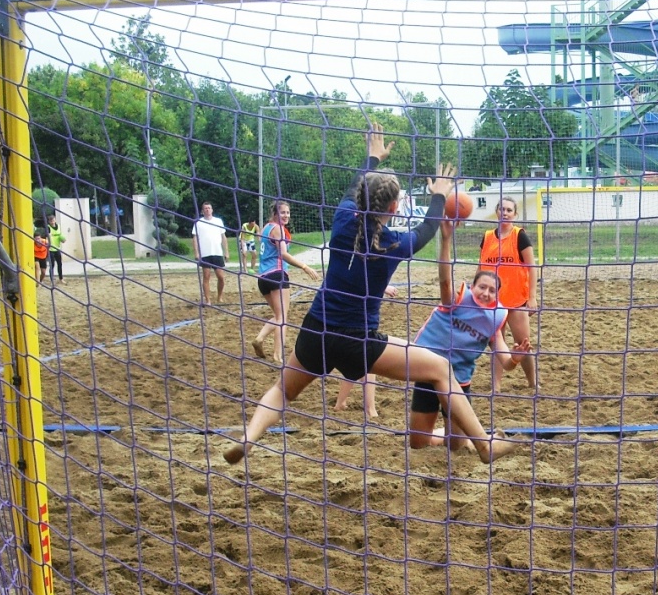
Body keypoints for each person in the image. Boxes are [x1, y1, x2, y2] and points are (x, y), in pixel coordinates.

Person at [224, 125, 517, 465]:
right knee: (439, 368)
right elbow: (427, 227)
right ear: (393, 207)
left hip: (316, 330)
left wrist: (373, 156)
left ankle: (248, 436)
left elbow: (356, 185)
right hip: (359, 341)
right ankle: (484, 444)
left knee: (281, 391)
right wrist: (439, 193)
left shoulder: (343, 218)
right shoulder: (394, 243)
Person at [410, 220, 531, 449]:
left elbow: (505, 362)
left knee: (455, 446)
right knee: (417, 444)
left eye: (492, 290)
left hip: (458, 381)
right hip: (428, 370)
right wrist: (446, 239)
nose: (486, 293)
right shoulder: (456, 298)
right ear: (473, 287)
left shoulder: (495, 318)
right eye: (482, 287)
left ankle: (465, 435)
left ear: (497, 295)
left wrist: (515, 358)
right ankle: (448, 431)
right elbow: (445, 279)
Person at [478, 197, 540, 394]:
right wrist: (476, 296)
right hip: (492, 301)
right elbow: (481, 270)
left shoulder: (519, 236)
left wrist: (532, 297)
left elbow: (532, 268)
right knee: (497, 344)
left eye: (509, 210)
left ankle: (533, 383)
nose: (505, 212)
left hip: (516, 300)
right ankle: (496, 387)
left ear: (515, 214)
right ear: (496, 211)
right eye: (502, 209)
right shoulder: (487, 237)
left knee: (524, 344)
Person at [249, 200, 322, 362]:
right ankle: (278, 356)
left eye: (288, 213)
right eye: (282, 212)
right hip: (277, 275)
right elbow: (283, 254)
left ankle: (259, 338)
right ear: (275, 213)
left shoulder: (266, 228)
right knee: (282, 317)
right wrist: (305, 266)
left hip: (263, 278)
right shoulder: (278, 229)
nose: (286, 215)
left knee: (277, 315)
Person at [331, 284, 399, 420]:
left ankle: (341, 403)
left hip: (350, 314)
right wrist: (383, 287)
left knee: (359, 358)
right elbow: (361, 274)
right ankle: (370, 408)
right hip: (354, 314)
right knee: (367, 356)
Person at [192, 202, 230, 306]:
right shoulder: (198, 223)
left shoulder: (218, 221)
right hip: (205, 254)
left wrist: (226, 252)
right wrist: (197, 253)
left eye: (209, 208)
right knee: (206, 276)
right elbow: (195, 238)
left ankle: (219, 296)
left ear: (212, 210)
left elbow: (223, 237)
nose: (207, 210)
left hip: (217, 252)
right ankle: (208, 300)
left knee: (221, 277)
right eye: (205, 208)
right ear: (202, 211)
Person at [46, 215, 65, 284]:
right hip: (51, 249)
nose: (52, 221)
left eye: (53, 220)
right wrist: (48, 241)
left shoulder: (58, 226)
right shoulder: (48, 227)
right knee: (52, 265)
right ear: (49, 221)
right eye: (51, 220)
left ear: (55, 220)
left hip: (57, 248)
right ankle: (52, 279)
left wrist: (63, 239)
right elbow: (47, 237)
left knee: (59, 264)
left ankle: (61, 278)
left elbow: (60, 235)